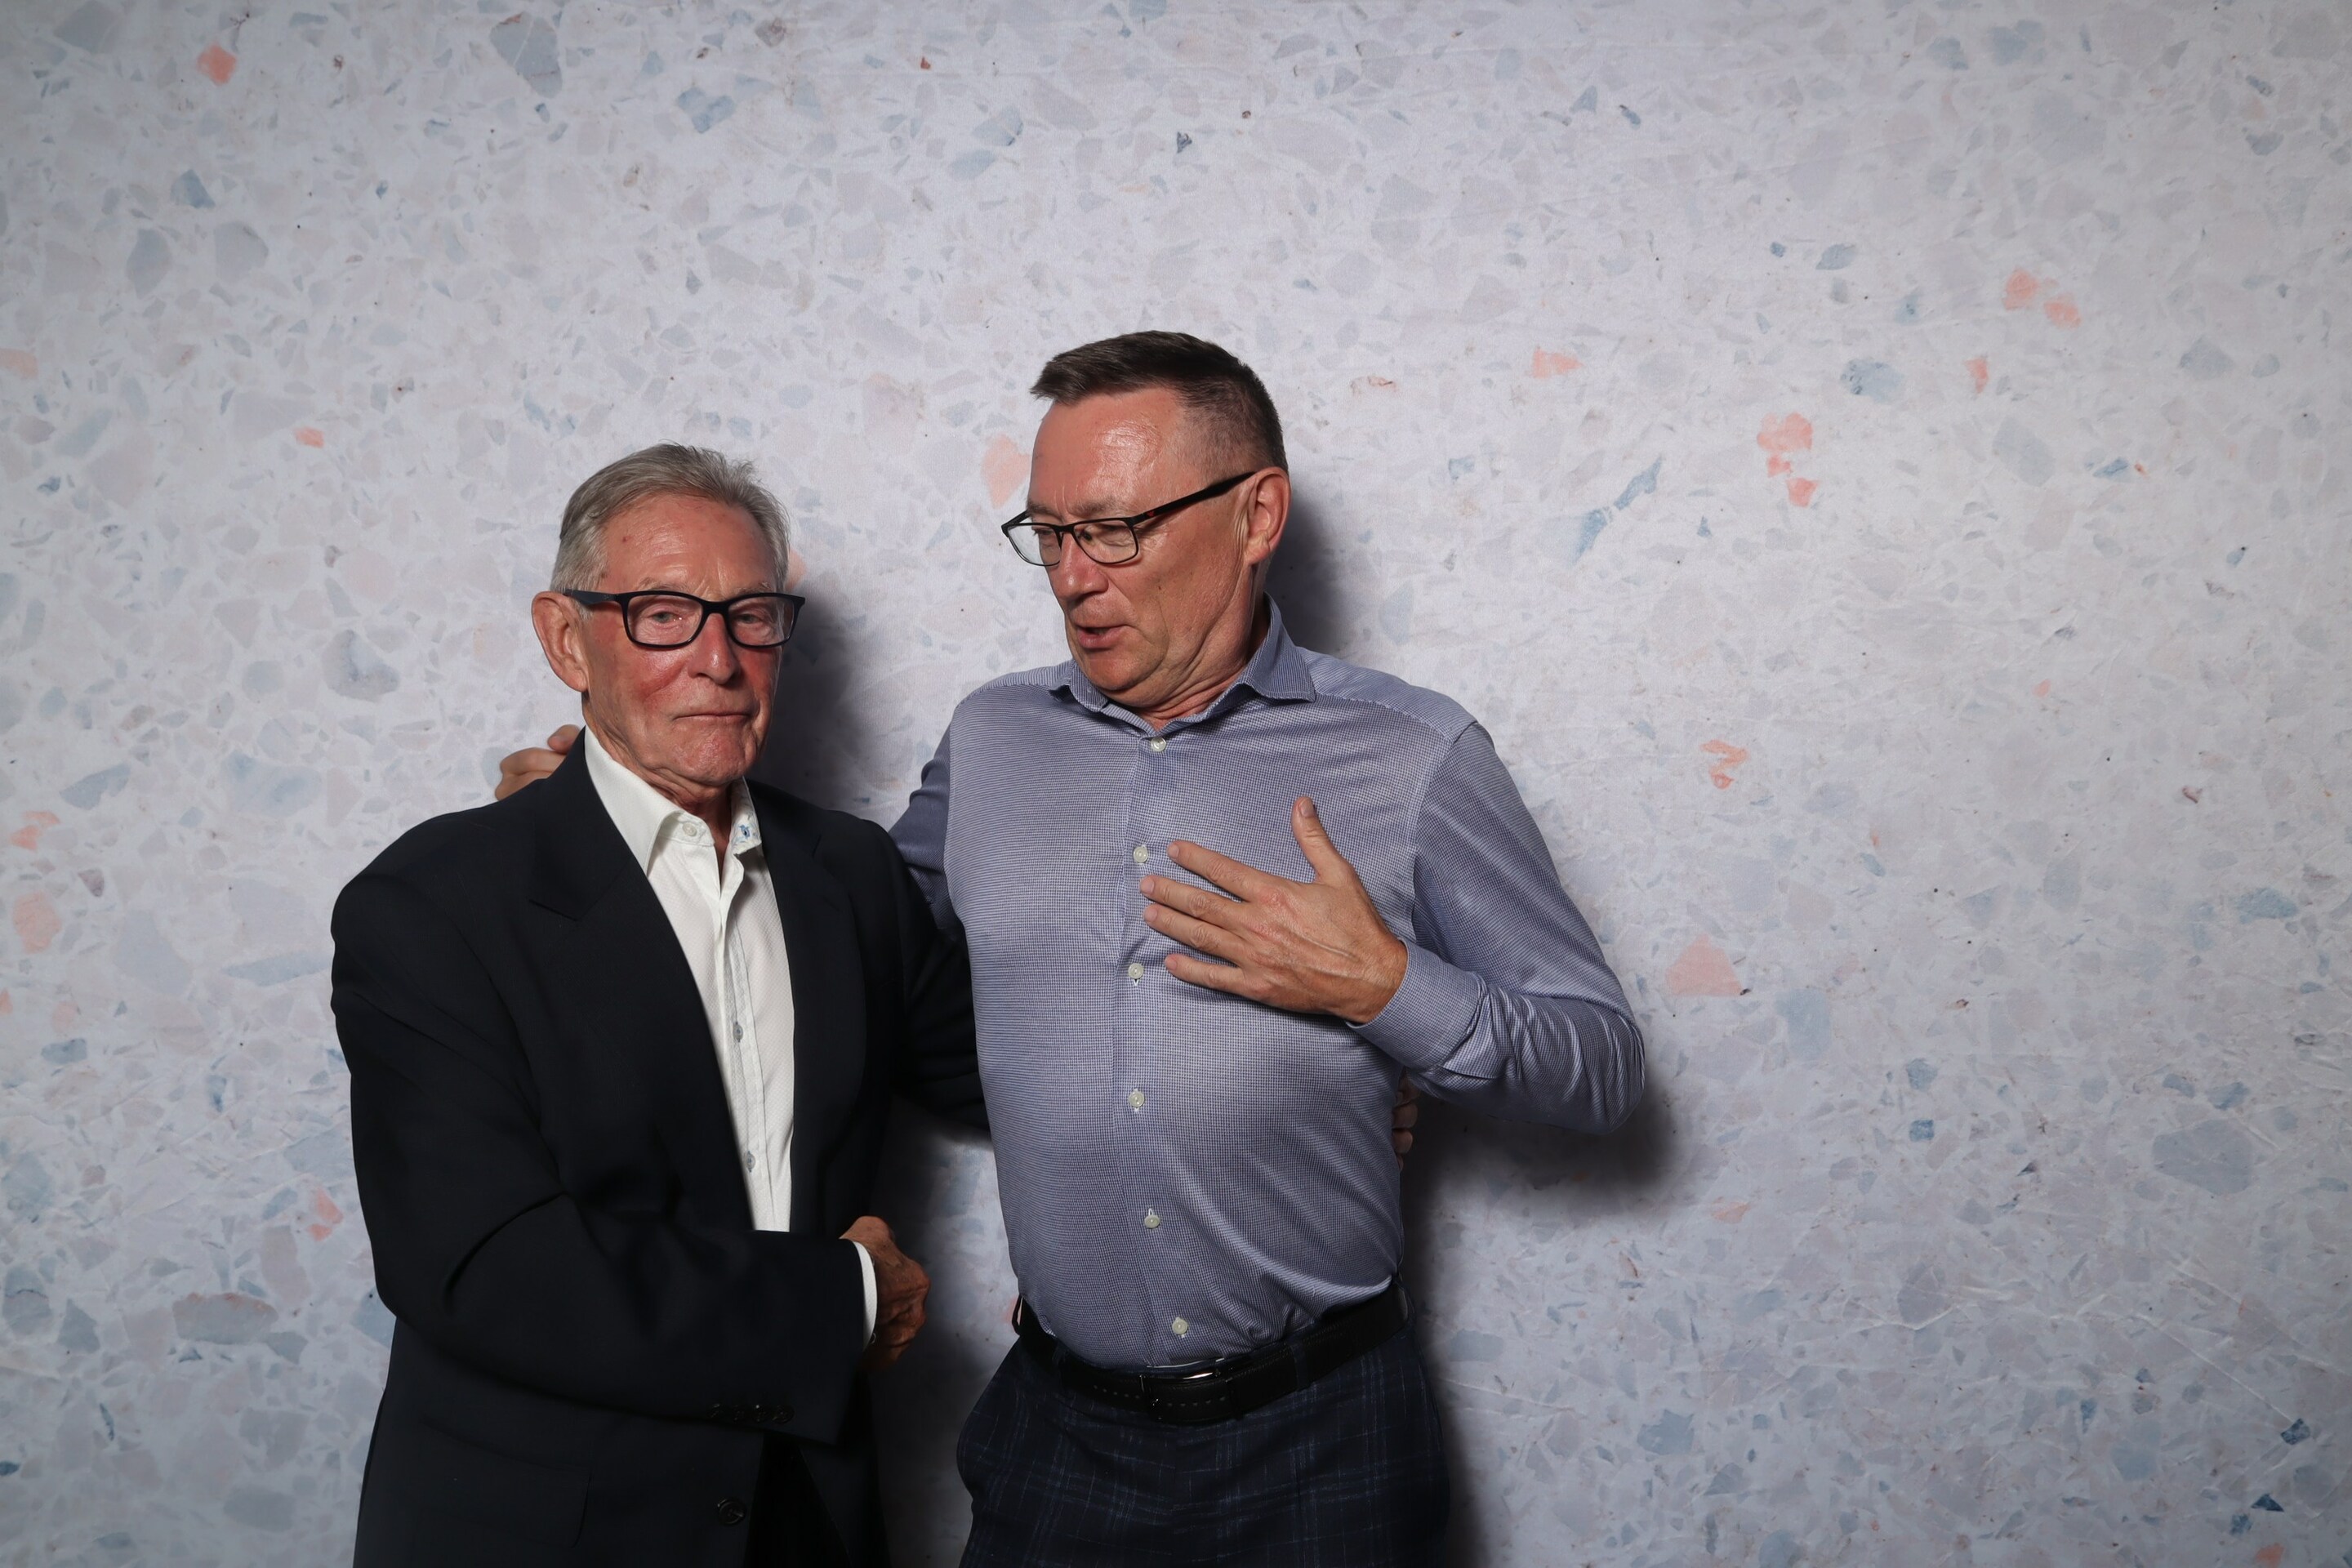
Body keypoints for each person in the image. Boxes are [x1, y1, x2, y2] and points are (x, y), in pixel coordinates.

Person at [499, 332, 1644, 1566]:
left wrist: (1385, 989)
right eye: (1049, 535)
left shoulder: (1413, 757)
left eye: (1116, 531)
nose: (1074, 578)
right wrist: (619, 818)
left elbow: (1600, 1066)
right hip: (1061, 1437)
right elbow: (826, 934)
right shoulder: (993, 741)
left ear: (1256, 515)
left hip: (1324, 1433)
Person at [332, 444, 984, 1567]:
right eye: (663, 615)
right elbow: (488, 1268)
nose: (718, 661)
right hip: (544, 1532)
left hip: (806, 1522)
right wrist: (844, 1301)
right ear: (565, 640)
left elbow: (1010, 1069)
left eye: (751, 616)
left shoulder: (853, 876)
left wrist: (1303, 1033)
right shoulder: (432, 904)